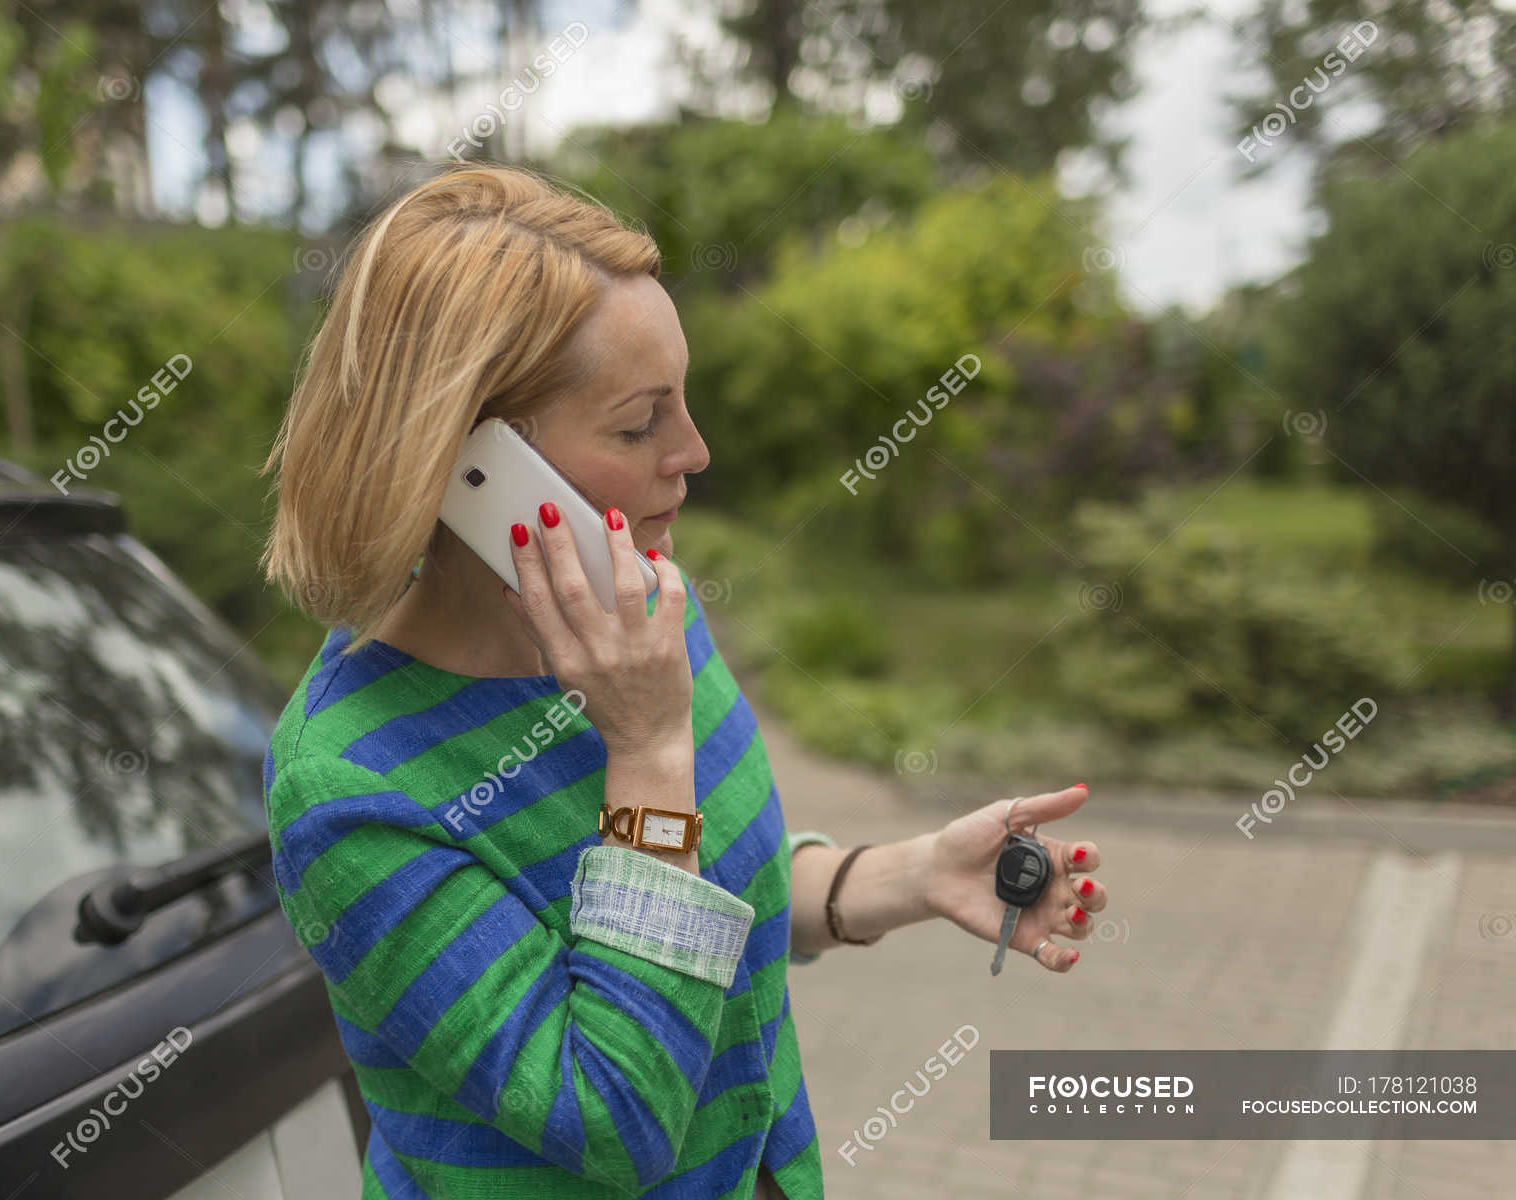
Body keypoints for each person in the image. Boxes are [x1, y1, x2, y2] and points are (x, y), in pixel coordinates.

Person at [257, 162, 1110, 1199]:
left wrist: (909, 877)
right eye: (638, 422)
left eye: (685, 404)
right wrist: (649, 754)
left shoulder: (648, 611)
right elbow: (614, 1117)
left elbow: (717, 903)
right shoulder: (350, 788)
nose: (694, 453)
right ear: (471, 461)